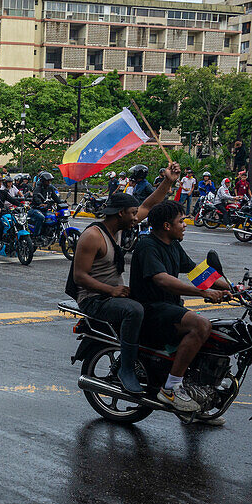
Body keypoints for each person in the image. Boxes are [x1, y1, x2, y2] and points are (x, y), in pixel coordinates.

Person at [68, 165, 180, 394]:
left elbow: (148, 205)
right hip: (94, 298)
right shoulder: (92, 236)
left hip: (112, 294)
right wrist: (112, 291)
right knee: (134, 310)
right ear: (121, 214)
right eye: (132, 213)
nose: (136, 218)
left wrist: (167, 182)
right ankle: (126, 369)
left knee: (162, 304)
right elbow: (79, 276)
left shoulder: (117, 228)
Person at [129, 200, 232, 416]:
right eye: (181, 221)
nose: (185, 224)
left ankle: (199, 395)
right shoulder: (147, 246)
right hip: (152, 310)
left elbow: (196, 272)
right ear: (167, 226)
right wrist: (203, 293)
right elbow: (162, 280)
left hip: (170, 307)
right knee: (200, 325)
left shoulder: (173, 244)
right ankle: (171, 389)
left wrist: (234, 287)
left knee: (217, 334)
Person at [30, 171, 62, 237]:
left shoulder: (50, 188)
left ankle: (51, 234)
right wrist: (40, 203)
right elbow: (35, 196)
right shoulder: (38, 188)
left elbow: (54, 197)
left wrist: (61, 202)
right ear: (43, 181)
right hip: (36, 209)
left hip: (45, 209)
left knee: (55, 217)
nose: (49, 182)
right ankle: (36, 235)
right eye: (47, 181)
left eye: (50, 181)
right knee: (41, 217)